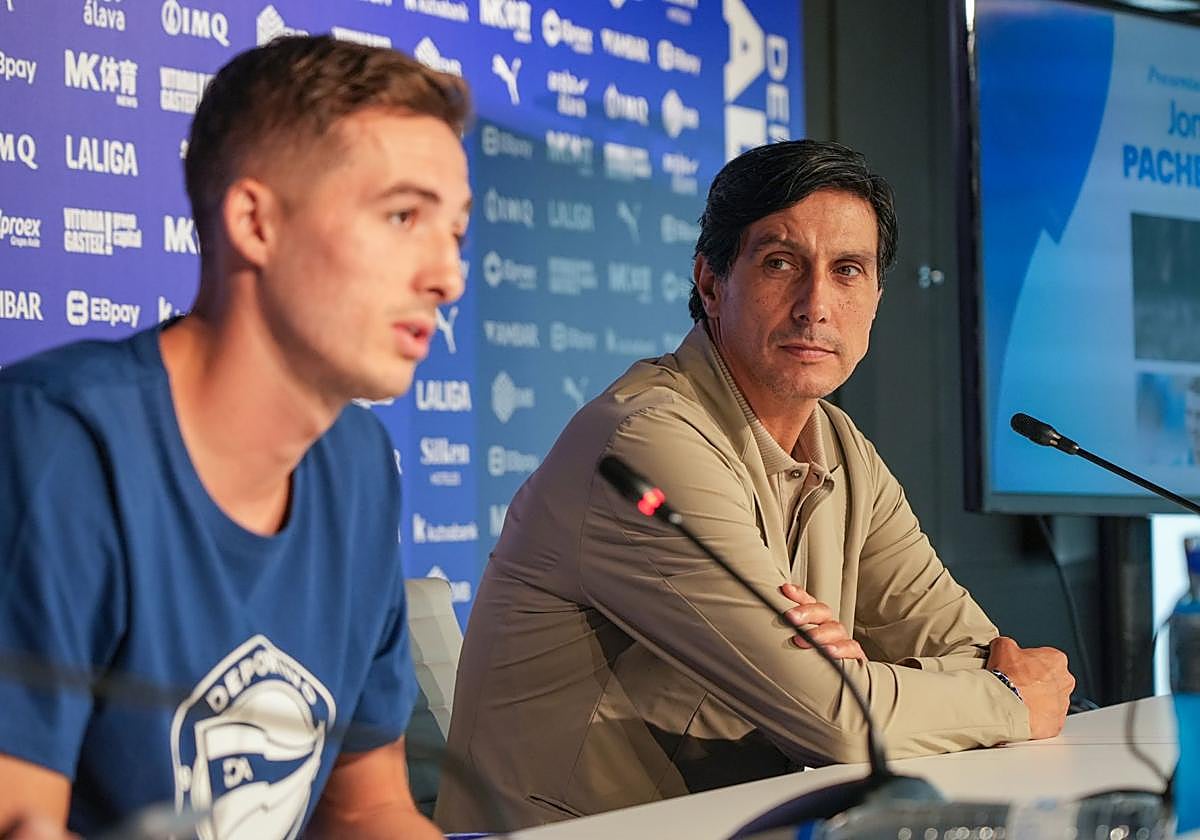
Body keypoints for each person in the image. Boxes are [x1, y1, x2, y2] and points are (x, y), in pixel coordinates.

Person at [435, 139, 1075, 831]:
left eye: (848, 271)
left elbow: (972, 646)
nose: (815, 305)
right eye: (780, 263)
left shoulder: (841, 446)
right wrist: (1004, 700)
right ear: (711, 283)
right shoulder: (646, 440)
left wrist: (876, 683)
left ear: (876, 299)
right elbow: (833, 720)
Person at [0, 35, 471, 839]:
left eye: (455, 231)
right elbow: (20, 822)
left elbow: (369, 808)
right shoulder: (53, 445)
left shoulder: (360, 468)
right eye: (402, 217)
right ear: (255, 221)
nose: (448, 276)